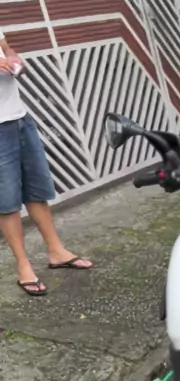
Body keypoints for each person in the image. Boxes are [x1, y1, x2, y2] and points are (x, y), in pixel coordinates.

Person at [0, 29, 92, 297]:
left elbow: (7, 49)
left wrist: (14, 59)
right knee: (7, 201)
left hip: (20, 118)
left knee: (37, 189)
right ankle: (23, 266)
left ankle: (56, 251)